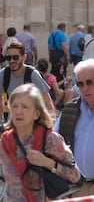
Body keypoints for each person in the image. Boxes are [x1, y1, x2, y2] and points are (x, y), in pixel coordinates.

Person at [0, 84, 81, 201]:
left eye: (25, 107)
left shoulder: (50, 139)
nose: (18, 111)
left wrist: (47, 162)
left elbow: (75, 176)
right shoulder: (3, 144)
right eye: (14, 106)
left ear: (36, 114)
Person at [54, 59, 94, 197]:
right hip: (77, 188)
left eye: (90, 82)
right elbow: (54, 141)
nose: (85, 88)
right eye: (80, 84)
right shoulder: (70, 110)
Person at [0, 42, 56, 124]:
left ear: (24, 57)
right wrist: (0, 119)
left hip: (33, 124)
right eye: (9, 58)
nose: (12, 61)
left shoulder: (32, 74)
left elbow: (47, 101)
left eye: (15, 57)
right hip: (14, 123)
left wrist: (52, 124)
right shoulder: (3, 75)